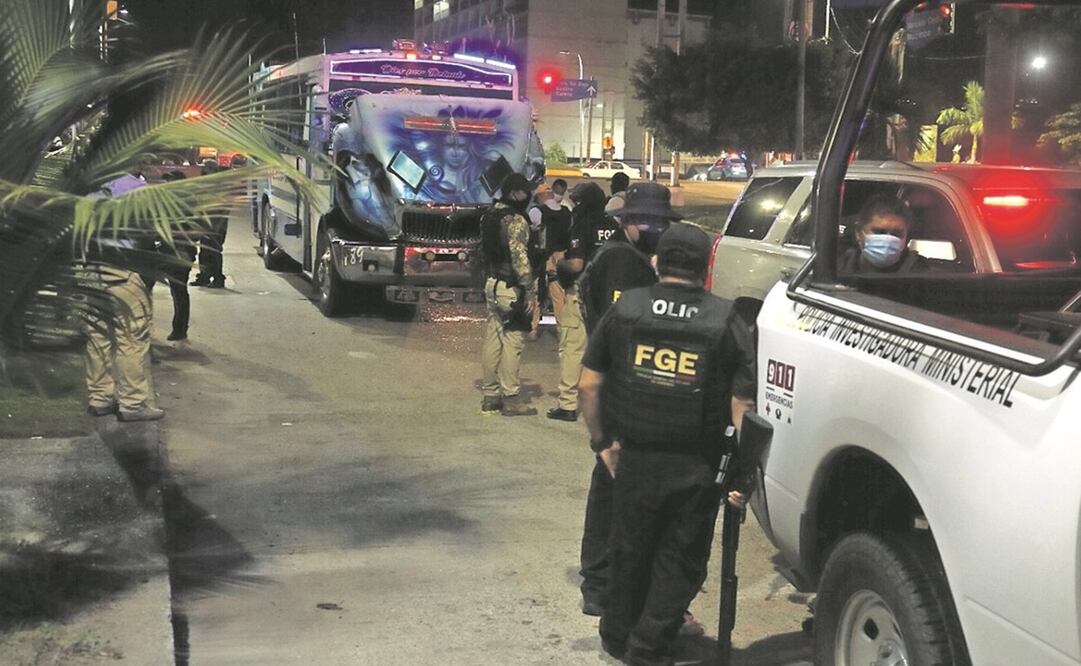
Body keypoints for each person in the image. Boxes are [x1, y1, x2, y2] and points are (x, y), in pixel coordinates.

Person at [579, 222, 756, 665]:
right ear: (706, 265)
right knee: (680, 560)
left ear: (657, 261)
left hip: (633, 455)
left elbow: (588, 385)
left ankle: (617, 635)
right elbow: (742, 401)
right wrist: (743, 467)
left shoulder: (627, 308)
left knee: (628, 549)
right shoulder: (726, 317)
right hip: (696, 463)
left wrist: (602, 443)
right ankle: (647, 646)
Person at [574, 183, 676, 614]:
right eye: (648, 221)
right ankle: (599, 584)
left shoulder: (627, 256)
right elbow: (627, 331)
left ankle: (605, 581)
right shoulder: (622, 262)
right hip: (619, 389)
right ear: (629, 222)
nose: (655, 229)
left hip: (619, 385)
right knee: (612, 488)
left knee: (616, 488)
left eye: (660, 222)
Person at [81, 174, 164, 422]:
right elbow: (151, 232)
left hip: (93, 268)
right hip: (124, 269)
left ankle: (100, 398)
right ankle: (133, 403)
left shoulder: (90, 187)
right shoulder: (135, 188)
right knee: (131, 338)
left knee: (98, 337)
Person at [545, 182, 614, 423]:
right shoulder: (614, 226)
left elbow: (576, 265)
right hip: (608, 299)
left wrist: (558, 263)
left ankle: (568, 404)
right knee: (607, 352)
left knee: (572, 349)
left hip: (582, 295)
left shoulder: (582, 226)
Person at [478, 173, 538, 417]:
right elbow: (519, 258)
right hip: (510, 288)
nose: (528, 197)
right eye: (525, 192)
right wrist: (530, 291)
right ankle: (511, 398)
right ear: (516, 193)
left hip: (492, 283)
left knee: (493, 338)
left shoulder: (489, 215)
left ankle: (490, 394)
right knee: (514, 341)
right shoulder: (515, 220)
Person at [839, 195, 928, 274]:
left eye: (896, 234)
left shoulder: (922, 274)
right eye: (879, 232)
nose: (888, 239)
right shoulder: (836, 269)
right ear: (858, 233)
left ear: (906, 237)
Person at [190, 160, 228, 288]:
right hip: (204, 225)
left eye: (208, 169)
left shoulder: (221, 186)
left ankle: (218, 278)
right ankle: (204, 276)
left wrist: (219, 225)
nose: (205, 171)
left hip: (216, 226)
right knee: (204, 252)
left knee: (214, 253)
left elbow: (225, 209)